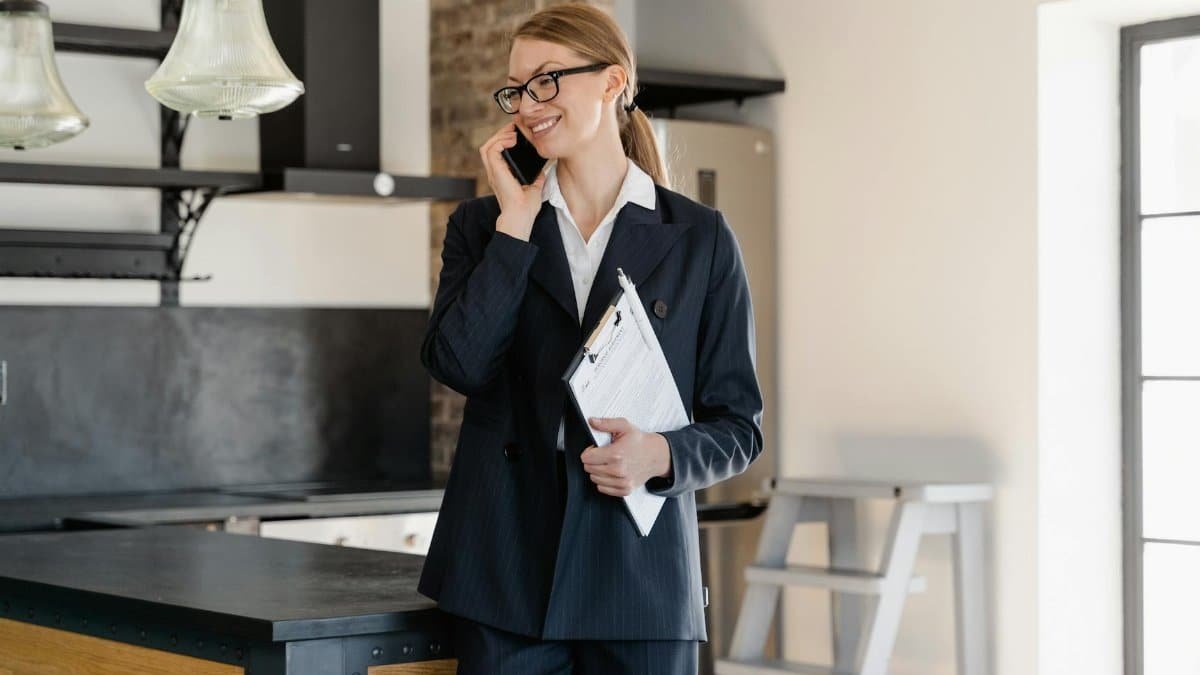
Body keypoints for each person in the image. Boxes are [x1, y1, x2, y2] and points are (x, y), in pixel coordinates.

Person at [417, 3, 764, 673]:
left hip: (640, 585)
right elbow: (458, 363)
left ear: (613, 82)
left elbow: (739, 426)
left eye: (547, 79)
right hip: (505, 578)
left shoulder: (699, 239)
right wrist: (514, 231)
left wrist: (659, 453)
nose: (527, 103)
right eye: (516, 88)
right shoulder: (483, 226)